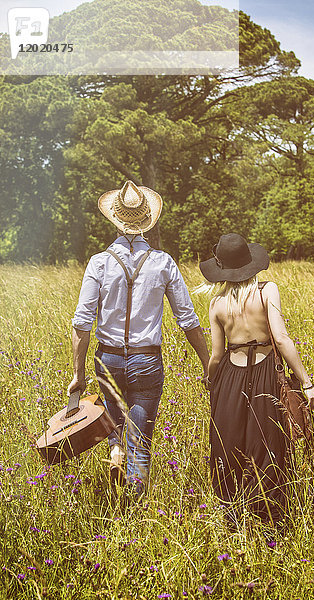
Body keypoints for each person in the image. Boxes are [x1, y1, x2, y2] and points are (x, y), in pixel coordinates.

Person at [68, 180, 209, 498]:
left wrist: (78, 375)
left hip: (109, 357)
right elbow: (187, 320)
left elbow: (82, 323)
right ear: (147, 221)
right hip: (147, 360)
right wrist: (206, 362)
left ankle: (116, 451)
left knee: (115, 418)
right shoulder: (164, 263)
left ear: (114, 220)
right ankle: (135, 503)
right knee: (141, 436)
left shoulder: (99, 263)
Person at [199, 233, 314, 533]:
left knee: (227, 442)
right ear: (250, 263)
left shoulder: (216, 303)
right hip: (266, 369)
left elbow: (216, 355)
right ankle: (270, 518)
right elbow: (280, 338)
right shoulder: (268, 291)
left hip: (229, 374)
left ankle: (232, 515)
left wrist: (211, 380)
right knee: (267, 442)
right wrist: (306, 383)